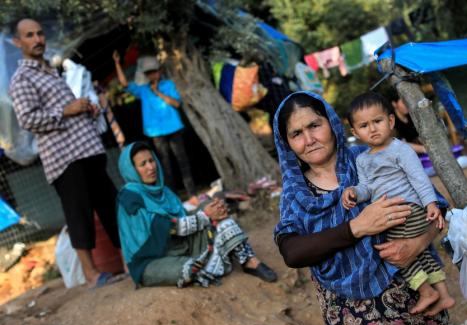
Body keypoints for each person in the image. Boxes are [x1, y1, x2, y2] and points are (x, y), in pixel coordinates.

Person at [273, 91, 458, 325]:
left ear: (331, 123)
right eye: (296, 134)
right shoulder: (296, 193)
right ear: (287, 144)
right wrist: (357, 227)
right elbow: (292, 253)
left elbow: (437, 206)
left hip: (416, 293)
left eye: (314, 126)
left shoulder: (371, 156)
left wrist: (415, 245)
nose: (309, 140)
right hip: (356, 317)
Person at [9, 18, 120, 288]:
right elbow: (28, 119)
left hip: (87, 149)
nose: (37, 39)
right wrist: (65, 111)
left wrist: (85, 108)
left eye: (40, 33)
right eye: (29, 35)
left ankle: (129, 261)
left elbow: (66, 109)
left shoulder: (51, 71)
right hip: (64, 159)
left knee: (111, 207)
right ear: (18, 42)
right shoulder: (22, 79)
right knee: (78, 213)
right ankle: (92, 275)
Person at [341, 91, 455, 315]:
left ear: (390, 121)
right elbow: (367, 188)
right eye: (364, 126)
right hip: (394, 213)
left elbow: (419, 178)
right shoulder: (362, 159)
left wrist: (430, 203)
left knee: (394, 250)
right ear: (355, 133)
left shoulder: (400, 149)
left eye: (377, 121)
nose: (372, 129)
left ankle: (425, 291)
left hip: (407, 210)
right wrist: (354, 192)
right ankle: (443, 295)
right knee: (421, 253)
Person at [117, 142, 277, 287]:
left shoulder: (164, 191)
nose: (151, 167)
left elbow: (183, 216)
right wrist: (205, 216)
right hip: (151, 260)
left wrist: (211, 209)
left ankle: (250, 261)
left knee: (209, 205)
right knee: (189, 269)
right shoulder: (129, 196)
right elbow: (165, 228)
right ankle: (215, 258)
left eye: (151, 161)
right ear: (131, 170)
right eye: (142, 164)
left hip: (181, 245)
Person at [113, 51, 195, 196]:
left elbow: (176, 103)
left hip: (173, 128)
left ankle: (192, 194)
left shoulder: (168, 84)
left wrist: (157, 92)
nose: (152, 75)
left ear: (160, 71)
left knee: (183, 161)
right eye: (149, 73)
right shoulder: (142, 90)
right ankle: (173, 197)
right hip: (156, 132)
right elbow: (124, 84)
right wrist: (117, 63)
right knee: (164, 166)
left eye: (154, 72)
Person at [387, 88, 427, 154]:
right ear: (394, 104)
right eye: (403, 102)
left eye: (407, 102)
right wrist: (423, 149)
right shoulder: (392, 122)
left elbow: (418, 136)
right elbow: (397, 144)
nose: (407, 105)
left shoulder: (411, 116)